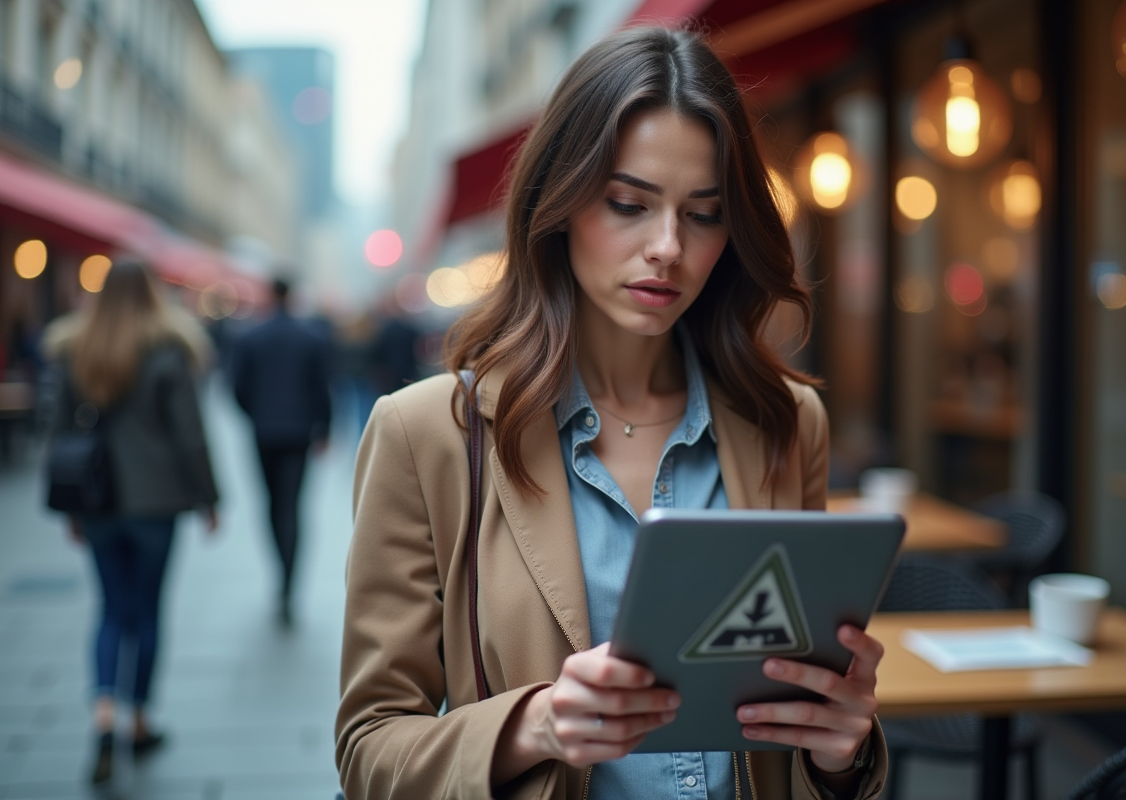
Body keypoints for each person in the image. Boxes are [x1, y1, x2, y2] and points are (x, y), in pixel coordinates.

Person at [336, 25, 888, 800]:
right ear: (559, 205)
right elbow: (368, 748)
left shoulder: (787, 422)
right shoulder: (426, 435)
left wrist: (840, 755)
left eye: (704, 213)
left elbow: (786, 730)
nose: (667, 246)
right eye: (629, 203)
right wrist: (537, 724)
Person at [43, 258, 220, 784]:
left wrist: (71, 506)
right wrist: (209, 498)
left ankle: (102, 716)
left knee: (110, 609)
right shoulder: (168, 349)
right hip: (155, 502)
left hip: (96, 499)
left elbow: (58, 433)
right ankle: (139, 720)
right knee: (146, 612)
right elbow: (190, 434)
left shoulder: (76, 348)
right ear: (151, 295)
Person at [232, 276, 332, 626]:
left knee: (272, 504)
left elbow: (237, 389)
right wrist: (325, 428)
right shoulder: (311, 337)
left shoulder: (250, 336)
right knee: (292, 505)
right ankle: (289, 580)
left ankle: (281, 572)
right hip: (299, 432)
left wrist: (257, 415)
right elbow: (322, 388)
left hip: (264, 431)